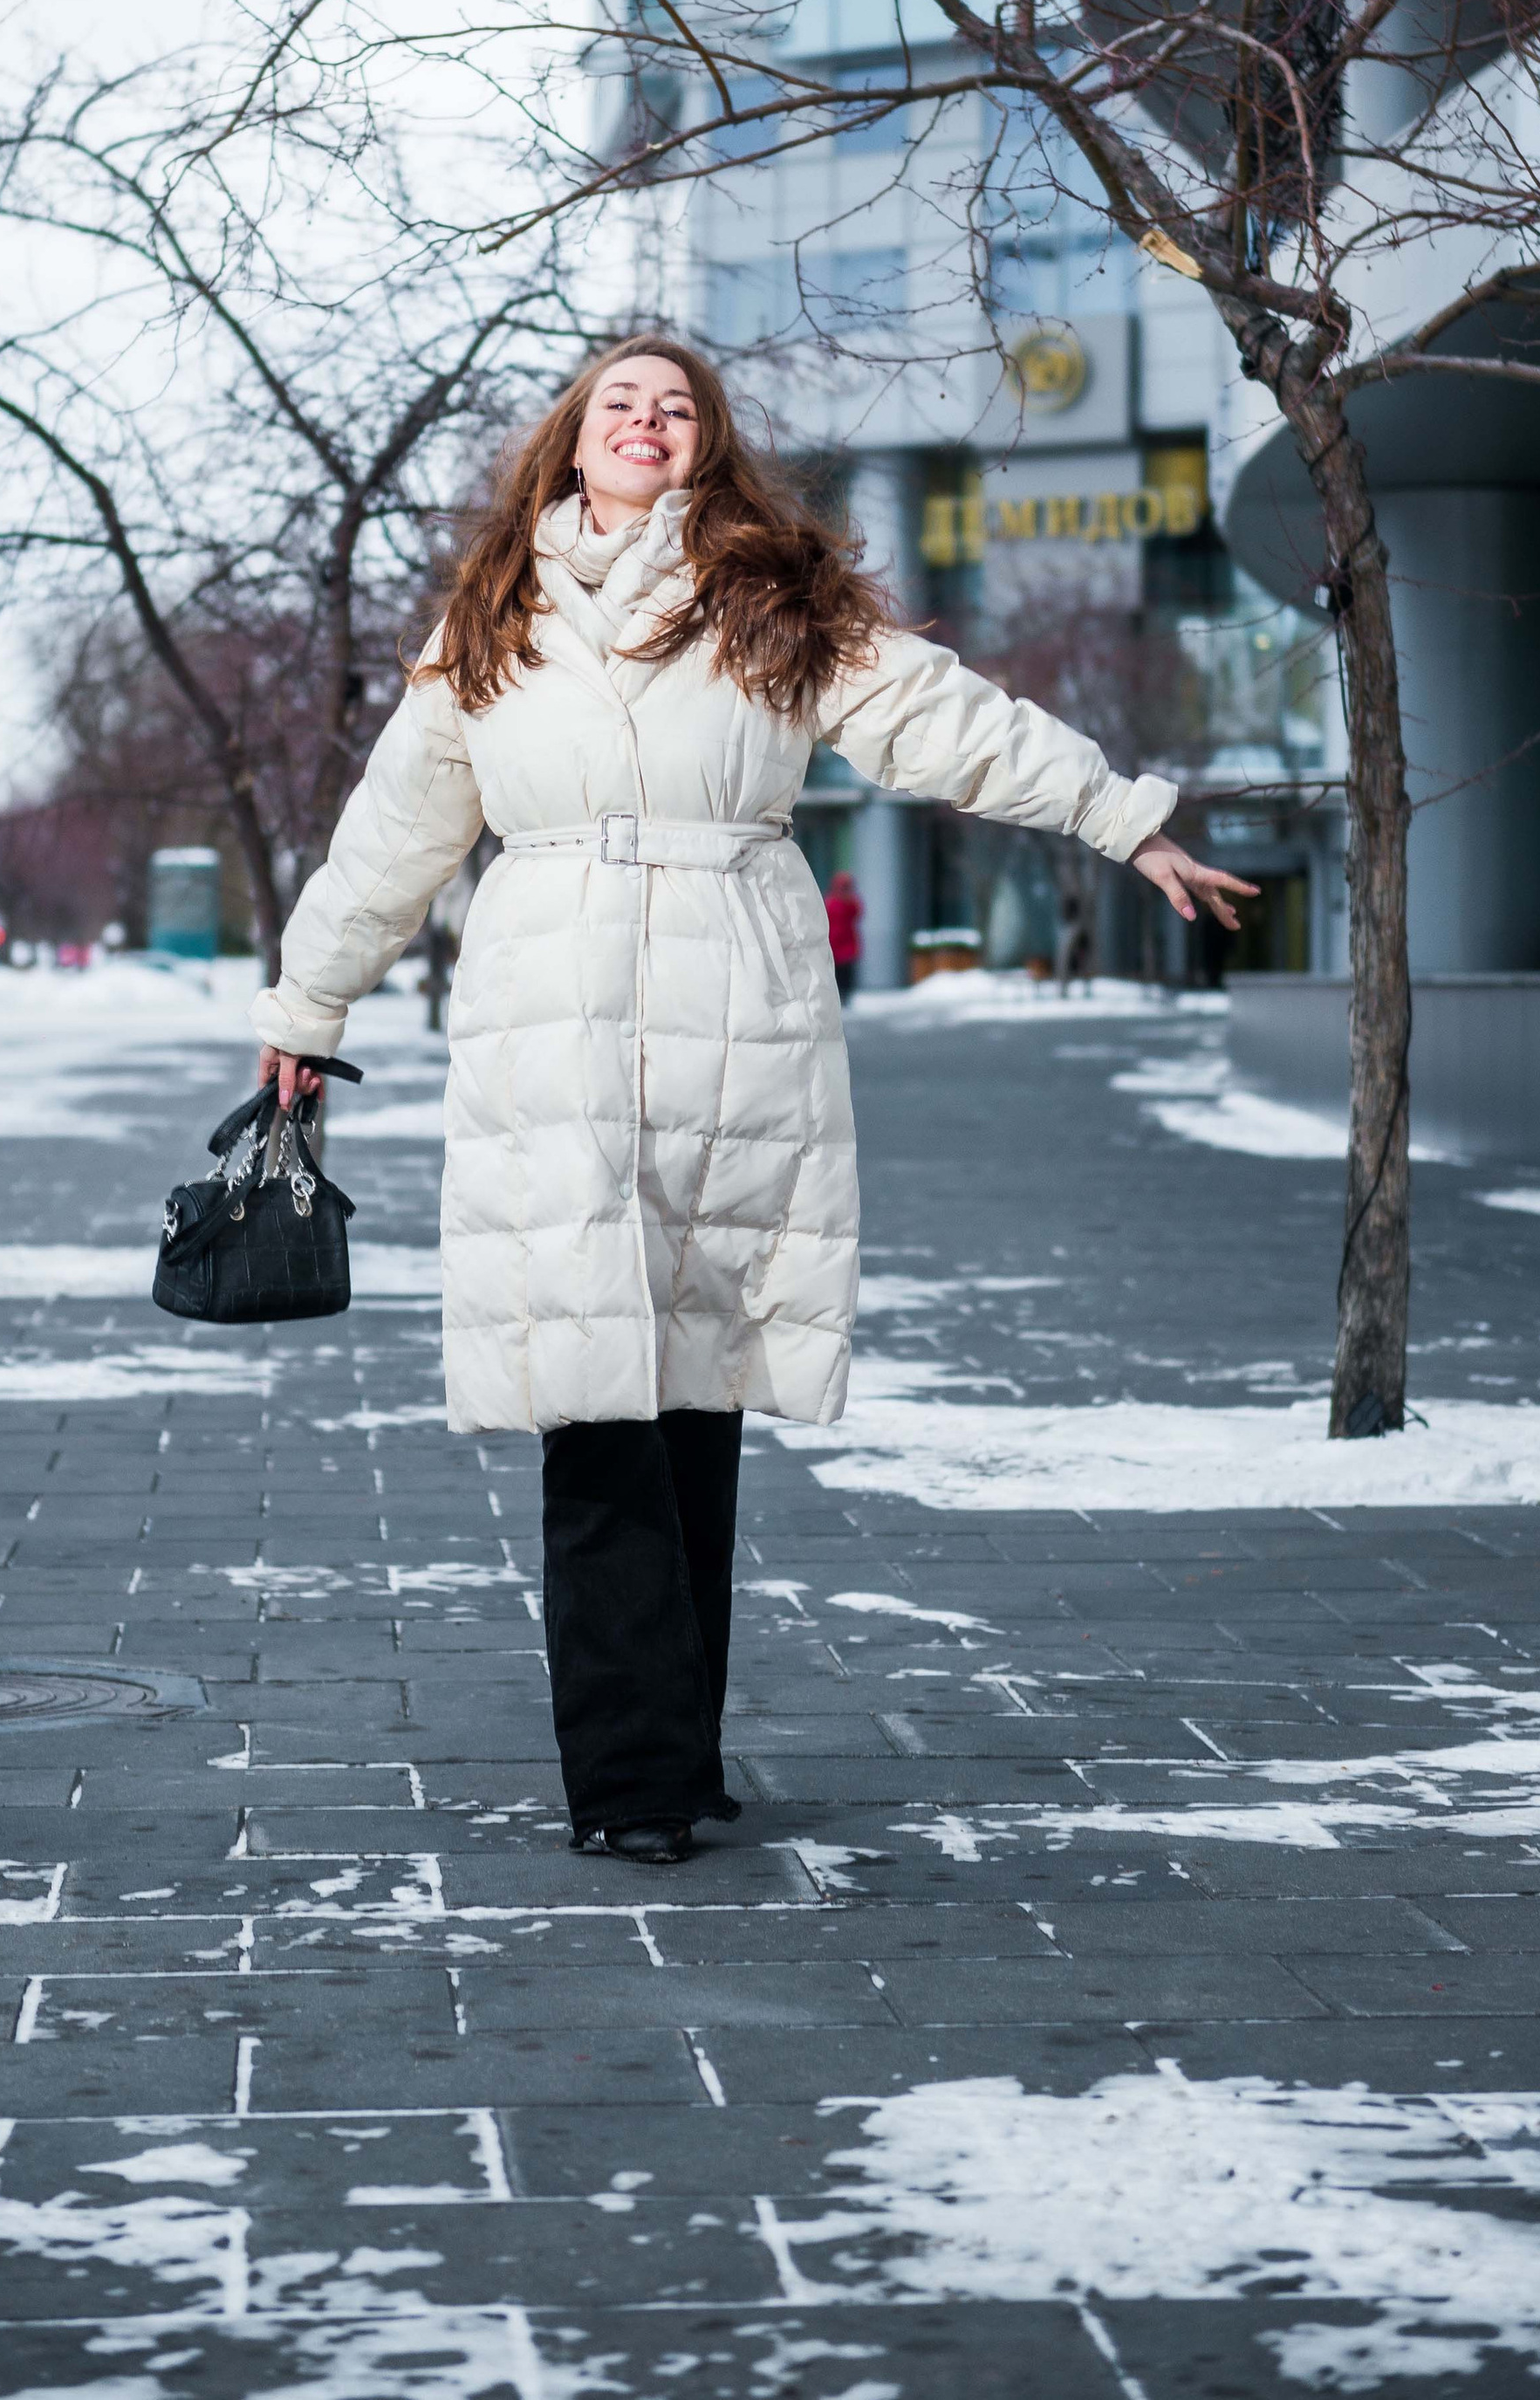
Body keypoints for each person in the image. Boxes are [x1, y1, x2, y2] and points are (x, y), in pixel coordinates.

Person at [252, 338, 1256, 1866]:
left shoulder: (772, 598)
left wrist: (1123, 821)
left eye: (677, 407)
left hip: (741, 1013)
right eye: (620, 405)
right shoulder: (491, 622)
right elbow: (396, 832)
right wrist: (308, 1005)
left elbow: (946, 718)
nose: (648, 423)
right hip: (552, 1029)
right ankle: (634, 1782)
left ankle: (684, 1752)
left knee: (692, 1401)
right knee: (591, 1404)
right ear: (571, 444)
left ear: (705, 444)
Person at [824, 867, 864, 1005]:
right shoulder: (831, 902)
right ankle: (840, 997)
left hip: (846, 945)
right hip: (835, 944)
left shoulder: (849, 903)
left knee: (846, 973)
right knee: (837, 974)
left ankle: (845, 996)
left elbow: (858, 912)